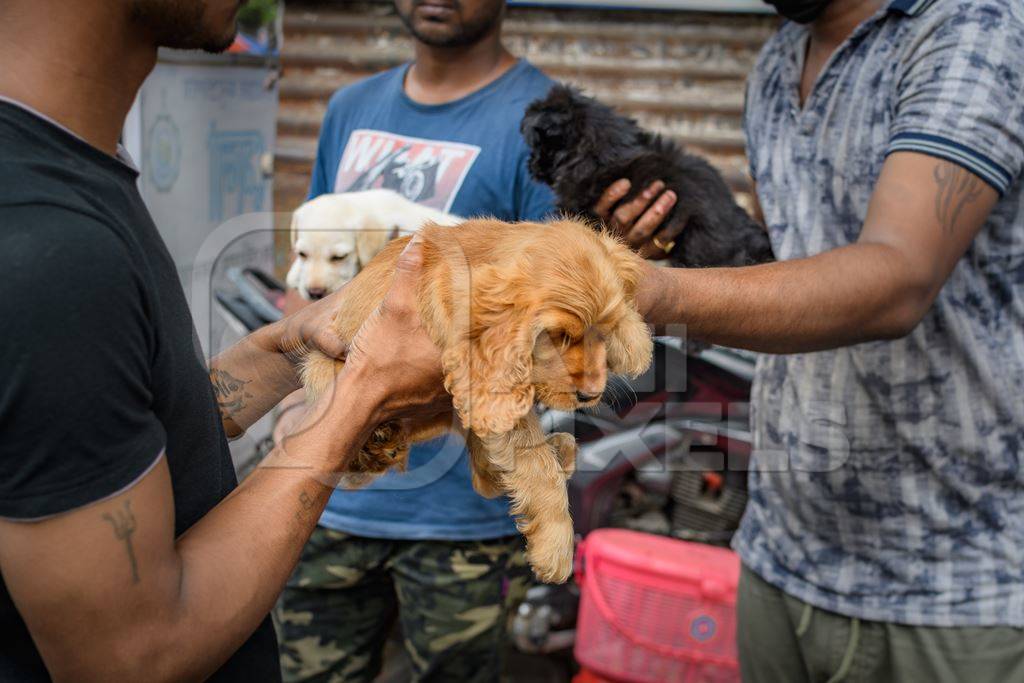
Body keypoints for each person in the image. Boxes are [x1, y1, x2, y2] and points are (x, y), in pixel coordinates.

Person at [0, 1, 447, 681]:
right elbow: (134, 656)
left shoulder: (64, 171)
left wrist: (287, 349)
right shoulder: (49, 245)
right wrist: (358, 398)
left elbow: (122, 429)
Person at [611, 0, 1024, 679]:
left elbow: (897, 277)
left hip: (955, 584)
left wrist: (647, 293)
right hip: (783, 552)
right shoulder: (777, 63)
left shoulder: (972, 27)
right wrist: (672, 245)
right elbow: (792, 266)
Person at [278, 2, 669, 681]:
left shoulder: (548, 125)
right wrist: (304, 402)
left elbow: (552, 318)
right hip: (333, 489)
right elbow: (316, 283)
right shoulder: (349, 108)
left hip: (467, 516)